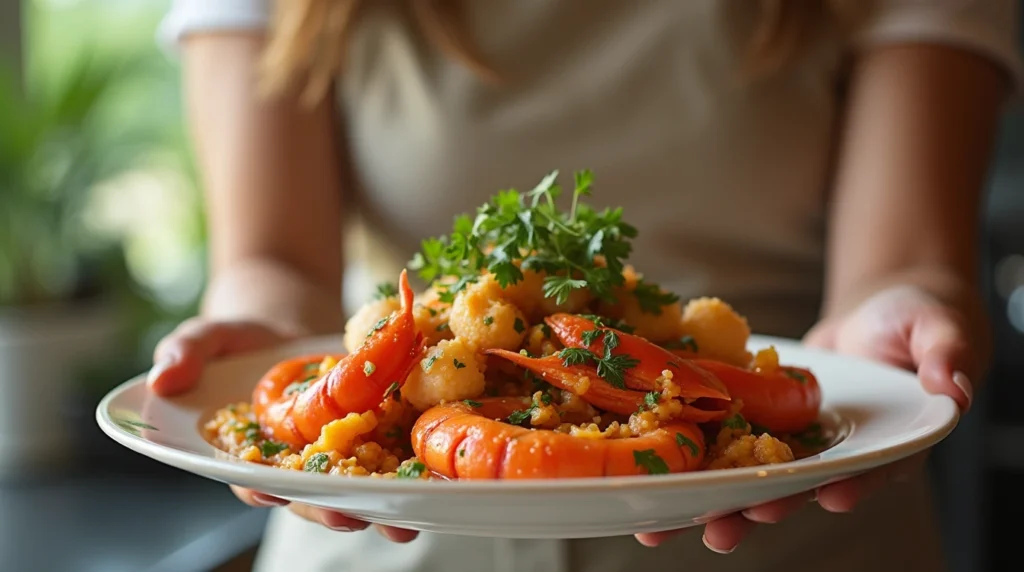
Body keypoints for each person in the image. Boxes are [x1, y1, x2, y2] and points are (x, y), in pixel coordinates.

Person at [148, 1, 1020, 570]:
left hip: (793, 529)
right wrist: (247, 327)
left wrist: (905, 307)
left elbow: (903, 254)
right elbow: (276, 265)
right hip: (382, 540)